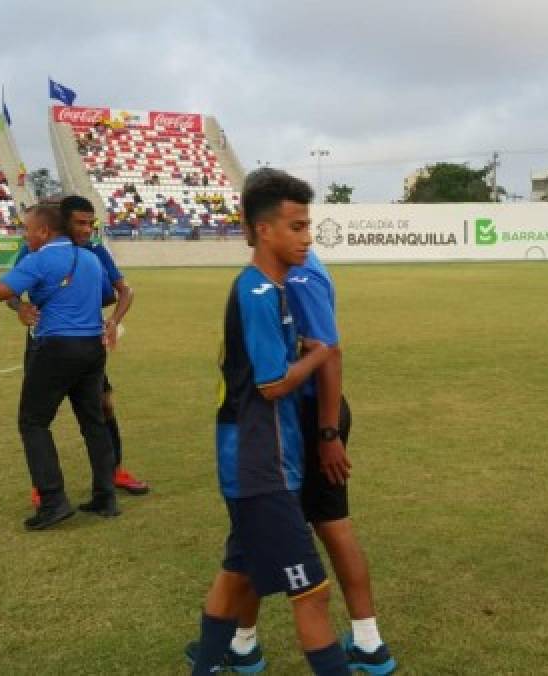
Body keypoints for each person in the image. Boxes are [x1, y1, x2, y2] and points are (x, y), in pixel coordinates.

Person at [186, 169, 348, 675]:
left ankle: (205, 665)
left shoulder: (272, 289)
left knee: (238, 573)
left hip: (266, 459)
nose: (307, 238)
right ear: (263, 230)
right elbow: (272, 384)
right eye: (296, 227)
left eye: (308, 226)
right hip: (261, 464)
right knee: (313, 592)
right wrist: (319, 354)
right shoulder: (257, 293)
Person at [0, 204, 119, 531]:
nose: (25, 235)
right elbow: (107, 296)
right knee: (93, 422)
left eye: (27, 229)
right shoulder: (90, 258)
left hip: (57, 348)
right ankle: (106, 496)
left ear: (44, 232)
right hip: (93, 348)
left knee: (33, 422)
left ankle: (53, 501)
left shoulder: (41, 258)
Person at [10, 196, 149, 507]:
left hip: (85, 339)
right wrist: (20, 307)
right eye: (80, 223)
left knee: (102, 407)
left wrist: (113, 320)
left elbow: (123, 290)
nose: (87, 230)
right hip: (45, 341)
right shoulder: (36, 249)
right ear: (62, 223)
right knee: (39, 414)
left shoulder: (95, 250)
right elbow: (11, 292)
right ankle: (43, 487)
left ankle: (114, 473)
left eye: (91, 223)